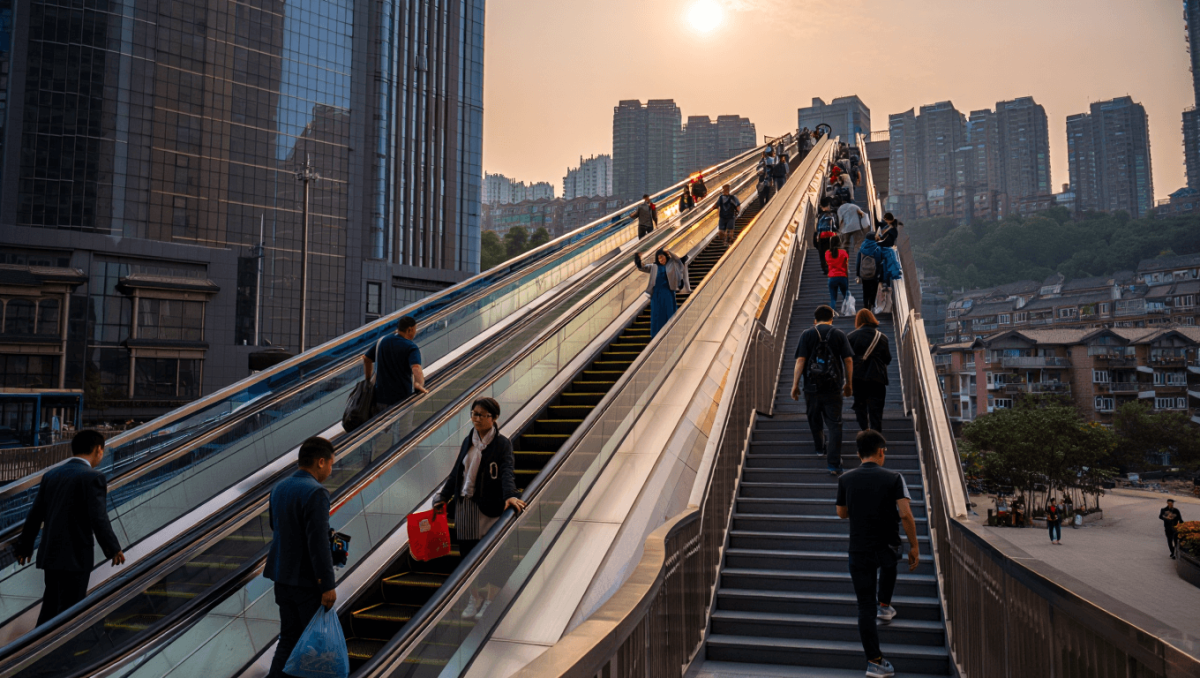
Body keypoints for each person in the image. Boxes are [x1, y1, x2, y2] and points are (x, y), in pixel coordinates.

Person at [15, 430, 125, 626]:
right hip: (76, 557)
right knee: (70, 612)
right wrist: (113, 548)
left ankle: (37, 648)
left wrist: (24, 546)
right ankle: (58, 654)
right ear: (98, 450)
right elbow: (98, 518)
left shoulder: (51, 475)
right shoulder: (93, 477)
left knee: (50, 607)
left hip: (51, 554)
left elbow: (35, 514)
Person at [836, 429, 920, 678]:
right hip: (886, 546)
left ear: (858, 453)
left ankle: (874, 661)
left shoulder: (846, 479)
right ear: (881, 452)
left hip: (858, 550)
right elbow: (905, 514)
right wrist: (915, 545)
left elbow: (842, 513)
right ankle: (885, 604)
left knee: (864, 607)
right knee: (891, 562)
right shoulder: (894, 477)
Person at [433, 397, 526, 618]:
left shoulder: (502, 444)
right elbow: (458, 471)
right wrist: (443, 497)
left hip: (489, 507)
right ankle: (474, 598)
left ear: (493, 418)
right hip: (465, 506)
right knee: (467, 558)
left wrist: (510, 495)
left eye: (482, 415)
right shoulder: (469, 440)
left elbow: (506, 471)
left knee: (495, 556)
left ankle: (490, 599)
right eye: (474, 414)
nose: (476, 418)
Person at [264, 436, 337, 678]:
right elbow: (317, 545)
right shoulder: (316, 492)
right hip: (306, 583)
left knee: (288, 640)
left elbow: (277, 527)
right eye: (330, 464)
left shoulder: (279, 488)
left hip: (281, 578)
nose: (330, 469)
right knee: (315, 647)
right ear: (320, 461)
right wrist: (327, 585)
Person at [790, 305, 855, 475]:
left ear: (815, 319)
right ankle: (833, 464)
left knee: (814, 418)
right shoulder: (839, 334)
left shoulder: (807, 334)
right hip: (833, 387)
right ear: (831, 319)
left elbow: (800, 361)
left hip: (811, 387)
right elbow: (848, 360)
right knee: (835, 424)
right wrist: (848, 384)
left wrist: (795, 385)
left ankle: (820, 448)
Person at [364, 315, 427, 412]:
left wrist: (368, 380)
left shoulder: (382, 341)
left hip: (380, 398)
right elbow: (416, 368)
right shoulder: (411, 347)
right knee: (404, 427)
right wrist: (419, 384)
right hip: (403, 399)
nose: (415, 332)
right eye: (415, 329)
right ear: (409, 330)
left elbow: (366, 358)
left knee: (381, 426)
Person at [848, 309, 891, 433]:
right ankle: (876, 440)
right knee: (876, 410)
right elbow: (887, 359)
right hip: (877, 378)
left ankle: (865, 430)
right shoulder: (882, 338)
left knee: (860, 406)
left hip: (858, 378)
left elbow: (847, 359)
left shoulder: (851, 337)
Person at [636, 249, 690, 337]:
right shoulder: (654, 266)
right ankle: (656, 335)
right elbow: (642, 267)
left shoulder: (672, 265)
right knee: (657, 315)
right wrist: (637, 259)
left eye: (662, 257)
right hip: (656, 295)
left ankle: (671, 333)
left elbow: (680, 262)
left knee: (669, 313)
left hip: (668, 293)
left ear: (666, 256)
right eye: (659, 258)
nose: (661, 259)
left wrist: (671, 252)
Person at [856, 232, 885, 311]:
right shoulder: (877, 248)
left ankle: (865, 306)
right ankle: (872, 304)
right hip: (874, 273)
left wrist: (858, 274)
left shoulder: (861, 248)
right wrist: (879, 274)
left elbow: (858, 262)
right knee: (873, 289)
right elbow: (879, 261)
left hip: (864, 273)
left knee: (865, 290)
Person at [814, 197, 840, 275]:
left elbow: (818, 227)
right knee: (832, 251)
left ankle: (825, 268)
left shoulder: (820, 216)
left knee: (823, 253)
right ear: (828, 205)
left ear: (822, 207)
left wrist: (817, 235)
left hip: (822, 237)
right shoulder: (833, 214)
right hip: (832, 236)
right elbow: (836, 226)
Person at [826, 235, 850, 311]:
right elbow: (846, 265)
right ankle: (848, 309)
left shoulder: (827, 253)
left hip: (832, 277)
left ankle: (832, 312)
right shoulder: (843, 252)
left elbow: (828, 263)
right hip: (842, 276)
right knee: (846, 295)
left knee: (833, 298)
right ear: (839, 242)